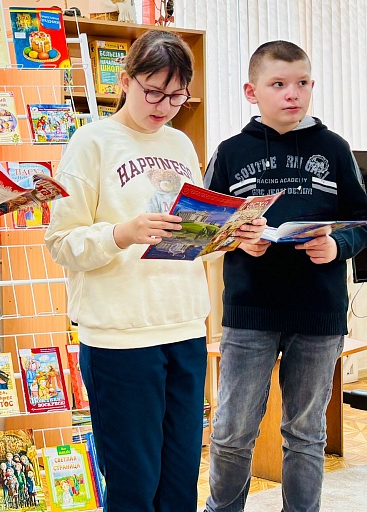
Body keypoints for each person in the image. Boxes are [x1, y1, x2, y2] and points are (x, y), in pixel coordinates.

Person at [45, 30, 260, 511]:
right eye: (154, 92)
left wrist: (230, 236)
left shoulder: (180, 143)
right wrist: (121, 233)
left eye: (177, 96)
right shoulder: (91, 142)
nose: (164, 106)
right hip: (120, 338)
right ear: (125, 81)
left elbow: (190, 241)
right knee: (134, 487)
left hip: (184, 328)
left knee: (181, 482)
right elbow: (60, 243)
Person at [203, 40, 367, 512]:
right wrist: (237, 240)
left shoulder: (334, 149)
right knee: (232, 430)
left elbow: (362, 220)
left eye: (302, 83)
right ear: (251, 91)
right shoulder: (230, 152)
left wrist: (338, 245)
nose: (292, 93)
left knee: (306, 432)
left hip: (318, 312)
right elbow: (205, 226)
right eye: (278, 84)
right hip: (250, 310)